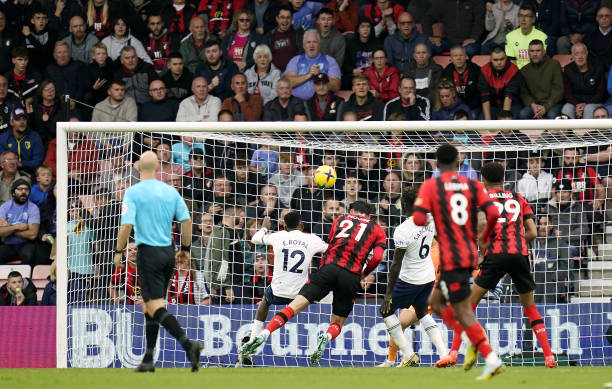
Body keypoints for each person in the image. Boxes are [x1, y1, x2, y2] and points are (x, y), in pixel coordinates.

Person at [240, 200, 387, 365]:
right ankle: (327, 336)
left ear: (351, 211)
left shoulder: (340, 220)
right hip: (350, 276)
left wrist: (265, 227)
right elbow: (377, 257)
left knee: (287, 307)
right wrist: (365, 272)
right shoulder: (377, 229)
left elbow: (332, 246)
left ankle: (263, 334)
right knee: (337, 323)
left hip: (325, 271)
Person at [442, 162, 557, 368]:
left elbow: (480, 230)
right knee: (530, 307)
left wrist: (482, 252)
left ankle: (452, 354)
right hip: (519, 253)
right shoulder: (519, 198)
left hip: (494, 254)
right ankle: (549, 356)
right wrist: (515, 241)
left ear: (482, 181)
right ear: (504, 180)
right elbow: (532, 232)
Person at [412, 143, 503, 381]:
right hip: (468, 251)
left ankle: (483, 352)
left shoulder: (432, 185)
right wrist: (484, 237)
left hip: (450, 253)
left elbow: (420, 218)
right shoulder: (471, 184)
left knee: (455, 309)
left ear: (438, 163)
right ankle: (479, 349)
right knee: (437, 302)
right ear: (457, 162)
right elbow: (492, 213)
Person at [113, 150, 202, 372]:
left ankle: (188, 344)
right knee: (151, 305)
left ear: (139, 168)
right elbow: (187, 220)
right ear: (158, 168)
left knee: (154, 305)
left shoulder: (133, 192)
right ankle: (148, 358)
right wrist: (186, 248)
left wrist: (118, 250)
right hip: (168, 253)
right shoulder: (170, 191)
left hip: (149, 253)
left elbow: (126, 226)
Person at [241, 211, 328, 364]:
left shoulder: (278, 236)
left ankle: (253, 339)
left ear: (284, 225)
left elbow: (254, 239)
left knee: (265, 301)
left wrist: (264, 227)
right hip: (301, 294)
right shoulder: (311, 239)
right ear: (301, 224)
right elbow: (329, 249)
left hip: (279, 289)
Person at [379, 186, 448, 367]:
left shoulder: (403, 230)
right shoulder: (431, 220)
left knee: (386, 311)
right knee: (422, 312)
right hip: (428, 277)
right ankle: (444, 354)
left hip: (410, 280)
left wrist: (388, 294)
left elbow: (396, 265)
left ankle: (408, 354)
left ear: (403, 204)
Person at [284, 29, 341, 101]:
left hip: (322, 102)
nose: (311, 45)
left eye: (315, 42)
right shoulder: (295, 60)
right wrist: (308, 75)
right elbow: (287, 83)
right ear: (304, 46)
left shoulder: (330, 60)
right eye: (308, 42)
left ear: (319, 45)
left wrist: (320, 75)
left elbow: (336, 86)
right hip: (297, 104)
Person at [518, 39, 563, 119]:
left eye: (538, 51)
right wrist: (532, 105)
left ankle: (551, 132)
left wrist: (546, 107)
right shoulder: (524, 70)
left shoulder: (554, 65)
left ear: (544, 52)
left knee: (551, 115)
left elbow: (558, 90)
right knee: (523, 114)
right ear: (528, 53)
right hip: (534, 105)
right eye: (532, 51)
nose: (535, 54)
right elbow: (524, 93)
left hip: (553, 104)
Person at [561, 43, 606, 119]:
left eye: (582, 53)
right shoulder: (568, 70)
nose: (580, 57)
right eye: (576, 54)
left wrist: (585, 104)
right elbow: (567, 94)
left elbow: (600, 93)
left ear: (587, 54)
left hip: (594, 102)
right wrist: (578, 105)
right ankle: (570, 131)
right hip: (574, 102)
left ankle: (585, 131)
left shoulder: (598, 67)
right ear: (572, 56)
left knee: (588, 109)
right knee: (567, 109)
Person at [0, 179, 40, 266]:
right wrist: (16, 227)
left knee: (29, 255)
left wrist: (9, 229)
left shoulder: (33, 208)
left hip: (26, 244)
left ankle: (26, 279)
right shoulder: (4, 207)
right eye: (20, 189)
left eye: (26, 189)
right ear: (13, 193)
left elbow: (32, 235)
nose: (23, 192)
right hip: (8, 244)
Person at [478, 46, 521, 119]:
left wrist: (504, 122)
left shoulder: (513, 70)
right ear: (490, 60)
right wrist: (488, 123)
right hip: (493, 106)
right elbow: (485, 97)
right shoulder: (485, 70)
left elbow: (509, 97)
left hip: (512, 105)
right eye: (495, 60)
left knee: (512, 120)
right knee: (482, 118)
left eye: (502, 59)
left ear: (506, 58)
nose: (499, 62)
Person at [0, 107, 44, 175]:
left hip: (30, 174)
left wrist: (21, 163)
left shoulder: (35, 137)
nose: (22, 122)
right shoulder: (3, 138)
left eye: (24, 119)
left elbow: (38, 162)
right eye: (18, 119)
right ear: (11, 122)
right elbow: (1, 160)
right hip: (7, 173)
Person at [440, 46, 482, 116]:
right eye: (455, 56)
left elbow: (480, 94)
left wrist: (466, 108)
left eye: (461, 55)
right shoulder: (446, 72)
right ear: (451, 59)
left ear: (466, 57)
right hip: (453, 106)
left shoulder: (476, 70)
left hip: (473, 107)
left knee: (473, 115)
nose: (458, 58)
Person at [261, 6, 305, 72]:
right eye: (282, 17)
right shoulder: (269, 36)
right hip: (275, 74)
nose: (285, 20)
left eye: (288, 17)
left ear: (291, 19)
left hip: (295, 72)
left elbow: (303, 52)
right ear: (277, 19)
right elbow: (264, 57)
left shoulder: (298, 32)